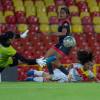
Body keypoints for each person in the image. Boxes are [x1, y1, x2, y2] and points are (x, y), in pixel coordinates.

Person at [41, 6, 76, 79]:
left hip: (65, 45)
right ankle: (66, 75)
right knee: (46, 58)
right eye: (60, 13)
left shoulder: (66, 23)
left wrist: (51, 33)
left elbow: (63, 33)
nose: (61, 14)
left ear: (67, 14)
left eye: (63, 13)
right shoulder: (62, 22)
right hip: (60, 43)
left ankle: (54, 74)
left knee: (52, 59)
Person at [26, 50, 98, 82]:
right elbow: (70, 65)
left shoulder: (89, 73)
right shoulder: (78, 66)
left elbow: (94, 79)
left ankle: (34, 75)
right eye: (88, 64)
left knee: (50, 80)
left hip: (66, 80)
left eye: (91, 65)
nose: (90, 67)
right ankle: (33, 76)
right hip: (63, 74)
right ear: (84, 63)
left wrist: (97, 81)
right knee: (50, 78)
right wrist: (68, 73)